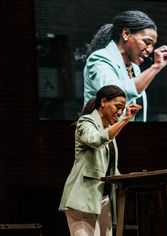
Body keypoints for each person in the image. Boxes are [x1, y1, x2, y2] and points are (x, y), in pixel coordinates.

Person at [59, 85, 141, 236]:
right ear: (103, 101)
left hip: (103, 201)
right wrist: (126, 120)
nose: (120, 112)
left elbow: (109, 168)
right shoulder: (86, 122)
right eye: (117, 107)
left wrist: (127, 178)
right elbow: (95, 140)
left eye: (123, 109)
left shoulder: (109, 129)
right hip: (83, 200)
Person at [84, 10, 167, 122]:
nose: (150, 50)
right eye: (147, 42)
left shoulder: (134, 69)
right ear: (126, 34)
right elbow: (115, 96)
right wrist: (156, 66)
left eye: (153, 45)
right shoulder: (100, 59)